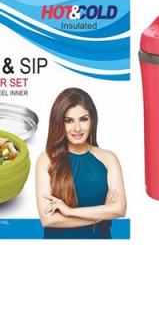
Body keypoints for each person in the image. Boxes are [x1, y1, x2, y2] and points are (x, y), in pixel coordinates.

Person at [35, 88, 127, 239]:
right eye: (69, 121)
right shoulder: (46, 159)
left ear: (92, 121)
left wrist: (69, 211)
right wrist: (99, 216)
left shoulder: (109, 158)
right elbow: (48, 219)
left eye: (83, 119)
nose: (77, 128)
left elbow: (119, 209)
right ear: (59, 123)